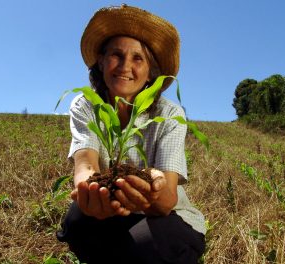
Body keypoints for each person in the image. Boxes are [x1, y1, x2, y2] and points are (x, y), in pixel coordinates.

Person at [57, 4, 206, 264]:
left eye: (138, 58)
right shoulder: (86, 105)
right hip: (113, 208)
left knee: (144, 245)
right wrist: (89, 187)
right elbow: (86, 163)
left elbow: (167, 198)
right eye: (116, 54)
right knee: (77, 220)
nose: (125, 66)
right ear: (101, 61)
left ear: (150, 74)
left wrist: (151, 189)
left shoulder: (169, 114)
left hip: (167, 217)